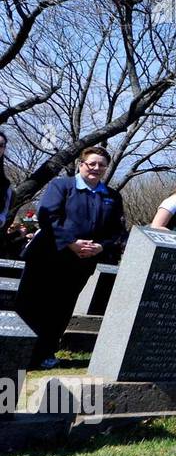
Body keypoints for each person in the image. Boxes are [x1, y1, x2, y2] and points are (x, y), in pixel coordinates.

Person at [14, 146, 128, 369]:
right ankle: (18, 353)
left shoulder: (111, 196)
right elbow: (49, 216)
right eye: (91, 163)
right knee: (33, 305)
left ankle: (44, 354)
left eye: (101, 165)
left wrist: (100, 247)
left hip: (82, 262)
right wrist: (71, 243)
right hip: (48, 257)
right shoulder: (62, 185)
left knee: (61, 308)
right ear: (81, 164)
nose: (96, 168)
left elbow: (117, 230)